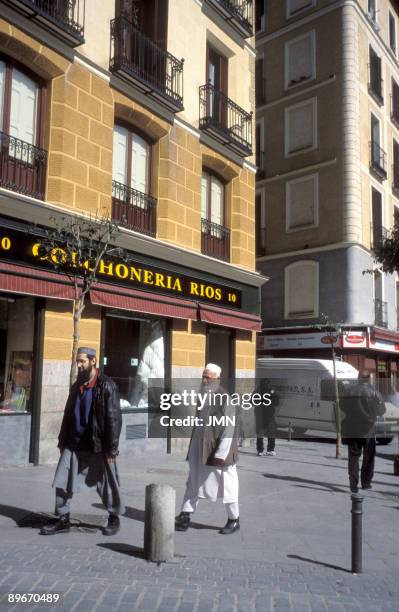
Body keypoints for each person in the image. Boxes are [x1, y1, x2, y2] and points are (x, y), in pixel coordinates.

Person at [40, 347, 125, 536]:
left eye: (82, 361)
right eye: (77, 361)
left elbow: (114, 419)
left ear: (93, 361)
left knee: (107, 483)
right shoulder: (77, 384)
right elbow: (68, 414)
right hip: (74, 443)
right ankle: (62, 518)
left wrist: (111, 450)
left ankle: (113, 517)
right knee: (62, 479)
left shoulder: (106, 385)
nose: (79, 365)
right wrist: (62, 441)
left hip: (98, 444)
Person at [175, 363, 240, 535]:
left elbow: (229, 428)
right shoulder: (202, 395)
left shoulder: (225, 398)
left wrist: (220, 453)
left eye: (208, 377)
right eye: (203, 376)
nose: (204, 380)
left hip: (218, 450)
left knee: (228, 485)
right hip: (200, 447)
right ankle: (185, 514)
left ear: (217, 379)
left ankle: (234, 519)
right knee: (193, 480)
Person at [341, 370, 385, 493]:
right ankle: (366, 483)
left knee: (353, 458)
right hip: (368, 429)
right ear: (368, 379)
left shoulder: (349, 391)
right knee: (369, 457)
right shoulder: (374, 392)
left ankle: (353, 485)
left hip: (353, 428)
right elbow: (382, 410)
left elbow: (342, 406)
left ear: (359, 378)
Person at [255, 378, 278, 456]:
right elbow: (276, 402)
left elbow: (251, 400)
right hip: (269, 415)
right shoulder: (271, 391)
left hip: (260, 415)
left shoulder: (257, 391)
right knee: (271, 433)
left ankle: (260, 450)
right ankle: (270, 450)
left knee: (260, 433)